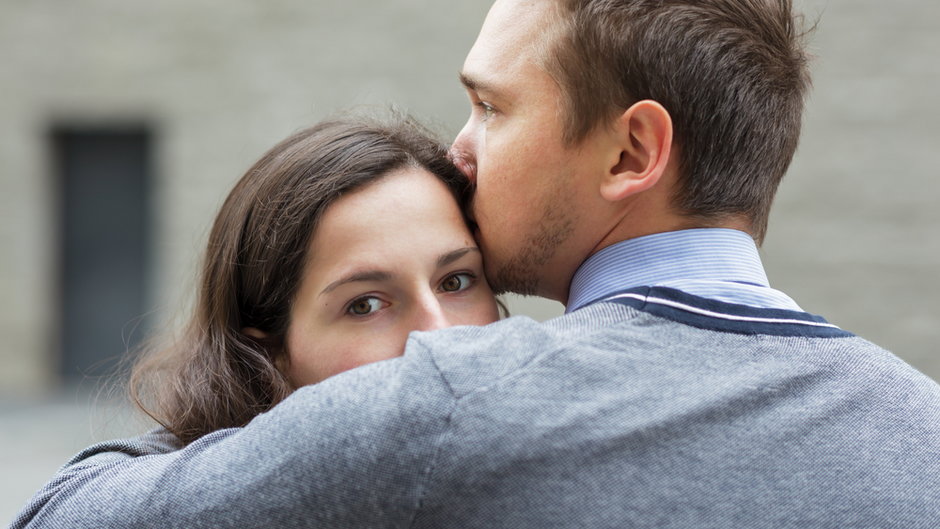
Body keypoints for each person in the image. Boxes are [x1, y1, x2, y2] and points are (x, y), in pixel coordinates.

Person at [14, 0, 940, 528]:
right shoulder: (922, 430)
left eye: (491, 108)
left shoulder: (455, 406)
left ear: (630, 154)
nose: (461, 148)